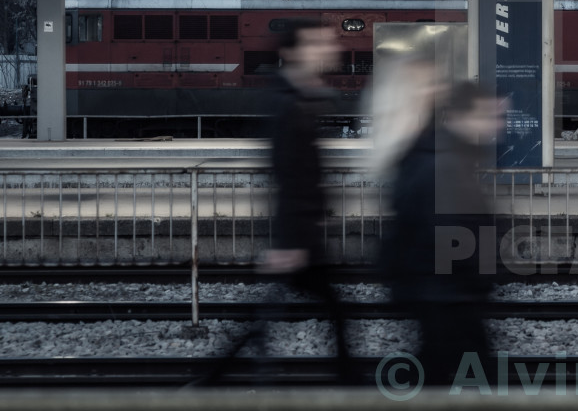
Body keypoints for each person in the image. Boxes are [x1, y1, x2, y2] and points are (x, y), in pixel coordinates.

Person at [203, 19, 358, 384]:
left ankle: (215, 378)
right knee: (322, 312)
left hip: (301, 230)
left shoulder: (298, 97)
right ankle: (349, 383)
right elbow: (287, 173)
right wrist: (290, 240)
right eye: (316, 44)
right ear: (292, 54)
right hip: (298, 235)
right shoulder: (288, 105)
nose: (327, 49)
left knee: (277, 314)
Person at [378, 79, 504, 386]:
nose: (497, 124)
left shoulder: (451, 155)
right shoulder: (446, 162)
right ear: (462, 116)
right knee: (474, 373)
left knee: (435, 370)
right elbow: (449, 232)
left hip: (442, 291)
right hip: (445, 291)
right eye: (488, 115)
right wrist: (480, 275)